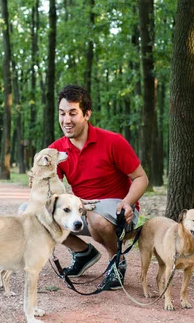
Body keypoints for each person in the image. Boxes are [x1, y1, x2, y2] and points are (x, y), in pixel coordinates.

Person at [49, 85, 149, 290]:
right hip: (83, 211)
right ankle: (83, 253)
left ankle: (116, 262)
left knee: (97, 218)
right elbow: (52, 192)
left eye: (73, 113)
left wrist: (128, 202)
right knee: (33, 213)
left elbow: (141, 178)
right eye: (62, 114)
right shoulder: (56, 150)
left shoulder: (113, 142)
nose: (66, 120)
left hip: (120, 211)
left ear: (87, 114)